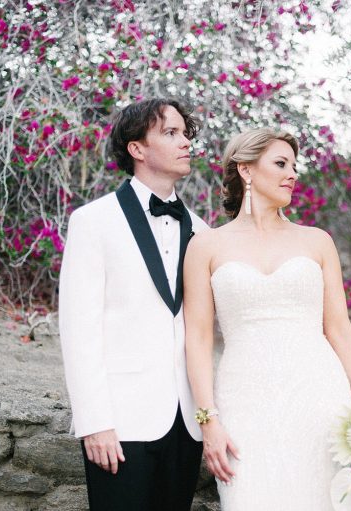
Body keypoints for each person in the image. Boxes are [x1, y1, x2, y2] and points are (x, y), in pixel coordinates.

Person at [184, 128, 351, 509]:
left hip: (320, 396)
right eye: (281, 164)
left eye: (295, 166)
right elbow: (198, 339)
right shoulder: (205, 245)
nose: (292, 174)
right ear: (247, 171)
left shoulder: (317, 241)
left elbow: (339, 329)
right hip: (243, 400)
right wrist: (209, 421)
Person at [59, 98, 209, 511]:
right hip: (120, 422)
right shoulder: (93, 221)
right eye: (171, 133)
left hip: (186, 423)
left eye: (186, 133)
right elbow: (79, 329)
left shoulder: (201, 230)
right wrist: (94, 422)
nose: (186, 143)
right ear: (137, 149)